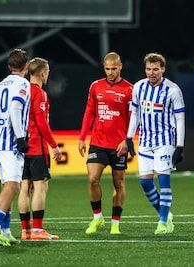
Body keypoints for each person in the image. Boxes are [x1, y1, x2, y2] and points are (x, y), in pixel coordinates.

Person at [126, 52, 185, 235]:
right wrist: (129, 137)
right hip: (145, 140)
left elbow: (180, 118)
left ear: (163, 69)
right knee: (145, 183)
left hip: (165, 140)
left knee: (163, 180)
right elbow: (135, 114)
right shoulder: (138, 87)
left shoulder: (172, 90)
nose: (151, 73)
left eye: (155, 69)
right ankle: (165, 215)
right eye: (148, 69)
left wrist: (179, 146)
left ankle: (162, 222)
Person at [78, 52, 133, 235]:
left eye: (114, 68)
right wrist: (82, 137)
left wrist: (127, 141)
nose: (110, 72)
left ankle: (115, 222)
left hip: (119, 145)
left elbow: (134, 119)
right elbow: (89, 112)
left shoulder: (130, 90)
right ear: (104, 67)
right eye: (107, 69)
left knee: (119, 183)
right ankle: (97, 218)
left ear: (120, 67)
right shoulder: (96, 86)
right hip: (98, 142)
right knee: (93, 179)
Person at [0, 49, 31, 246]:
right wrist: (20, 137)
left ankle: (5, 230)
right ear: (26, 66)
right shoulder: (22, 83)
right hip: (10, 142)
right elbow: (15, 108)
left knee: (8, 186)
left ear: (9, 66)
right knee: (13, 186)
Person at [17, 57, 62, 241]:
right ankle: (37, 230)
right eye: (48, 72)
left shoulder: (21, 91)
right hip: (36, 146)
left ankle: (25, 230)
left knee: (24, 187)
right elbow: (42, 123)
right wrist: (54, 145)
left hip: (21, 147)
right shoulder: (39, 94)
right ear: (43, 73)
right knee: (40, 186)